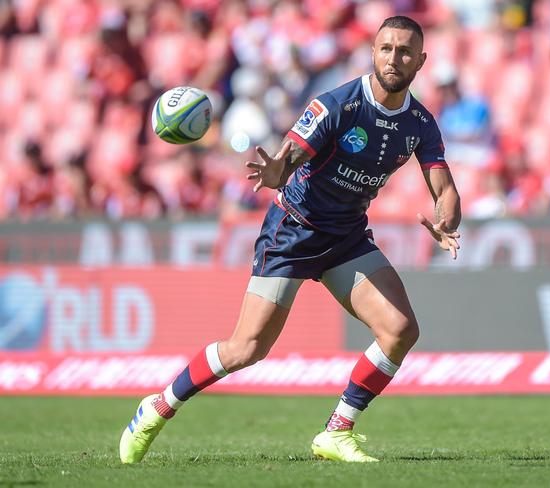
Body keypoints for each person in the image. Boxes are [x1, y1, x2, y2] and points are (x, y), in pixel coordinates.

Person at [119, 15, 461, 464]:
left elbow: (445, 187)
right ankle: (157, 407)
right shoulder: (337, 105)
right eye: (385, 48)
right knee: (247, 349)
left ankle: (337, 431)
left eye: (403, 51)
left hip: (347, 238)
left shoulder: (420, 122)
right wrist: (278, 169)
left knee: (400, 330)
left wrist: (447, 219)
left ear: (421, 60)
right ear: (372, 52)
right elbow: (291, 154)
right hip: (293, 230)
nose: (393, 57)